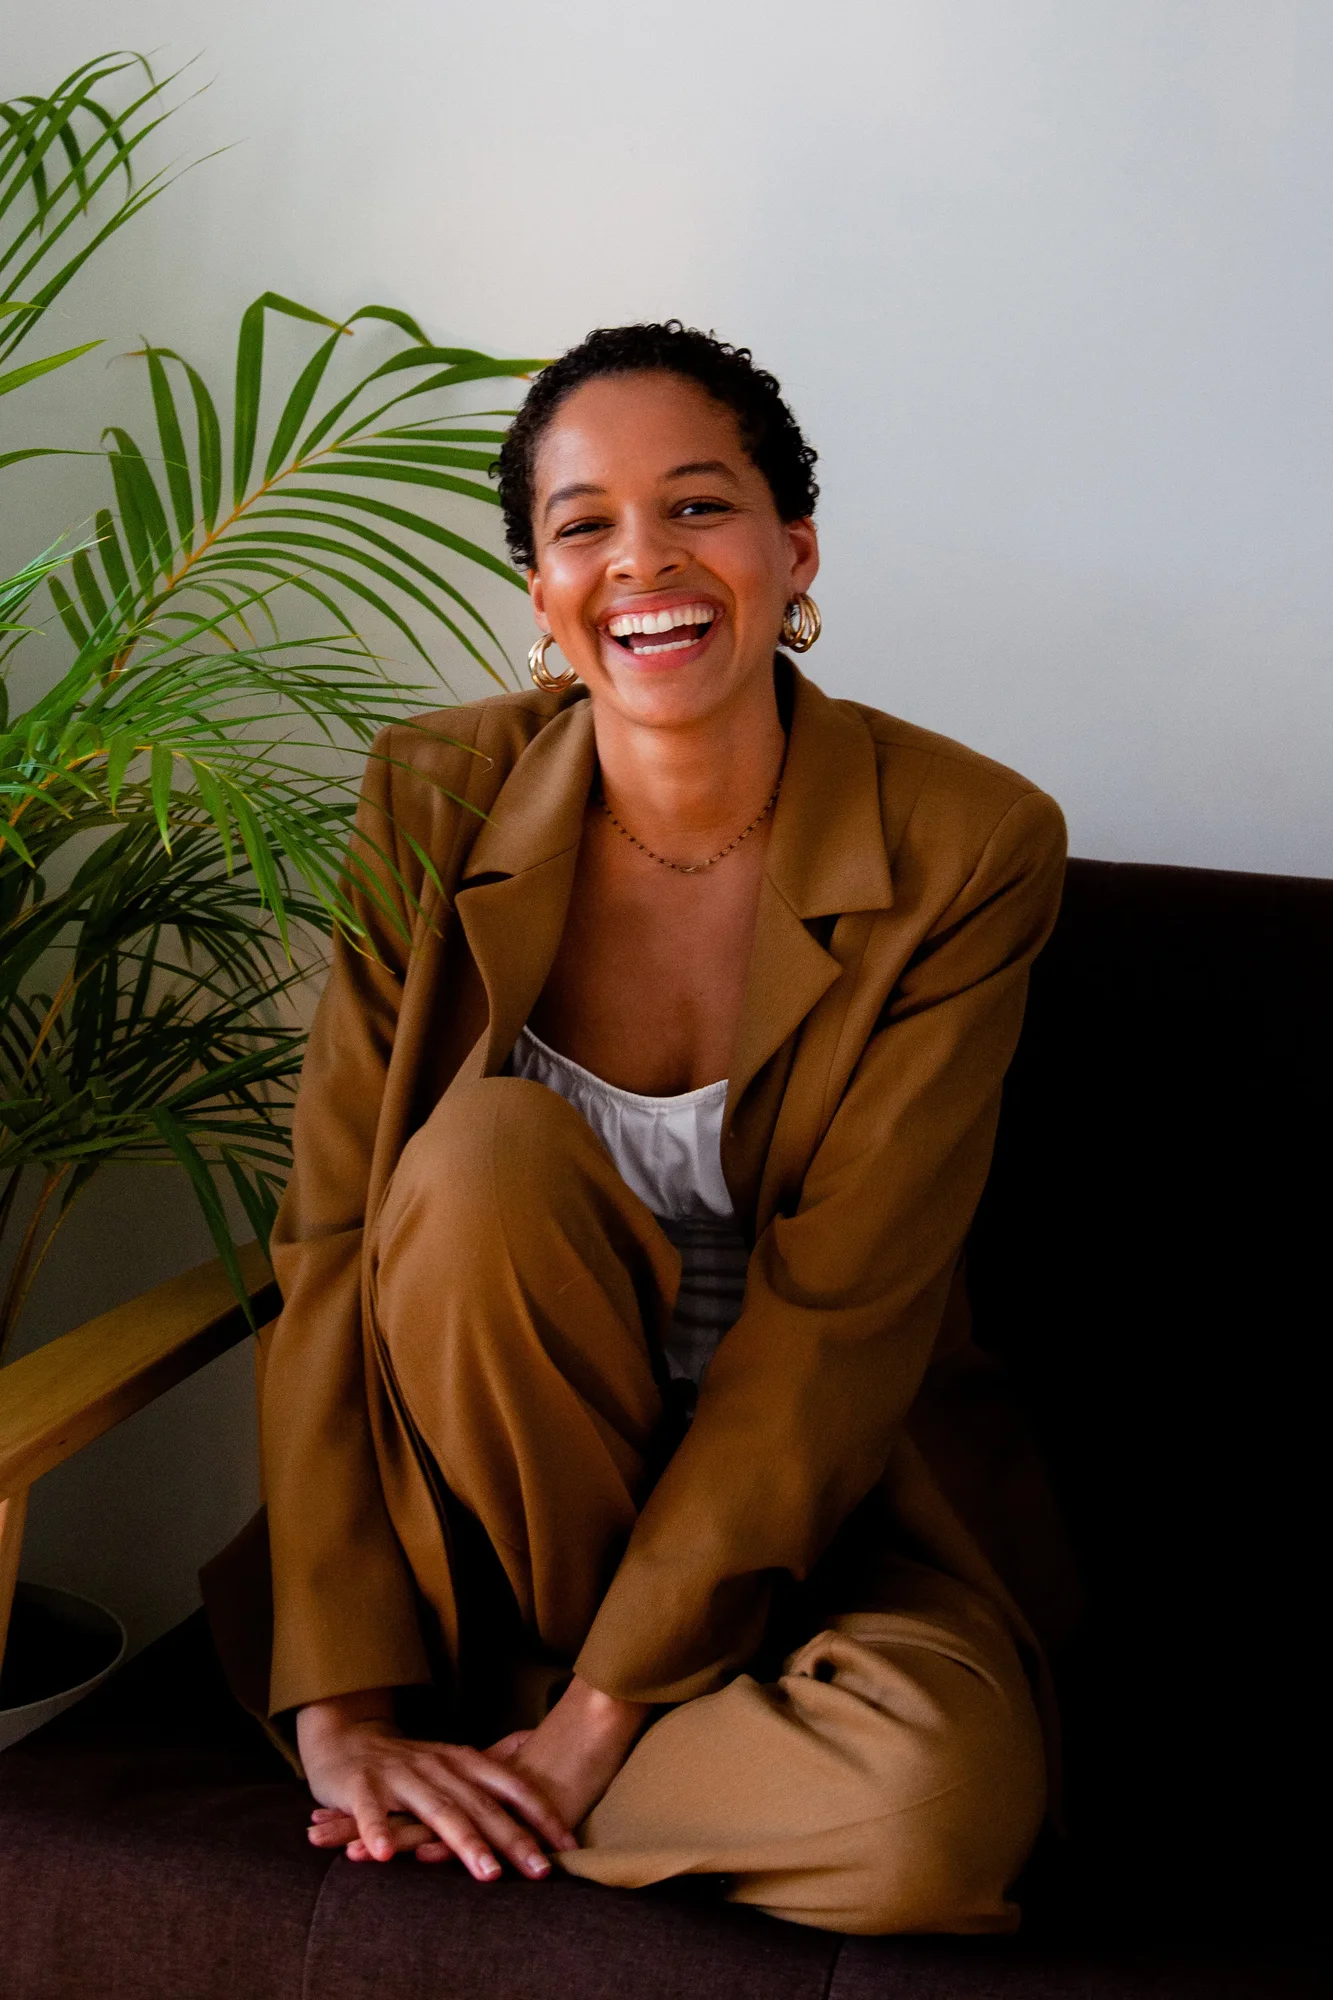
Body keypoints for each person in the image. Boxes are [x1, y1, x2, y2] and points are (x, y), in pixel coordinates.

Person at [208, 321, 1075, 1937]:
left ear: (792, 546)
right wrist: (335, 1716)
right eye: (582, 525)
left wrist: (598, 1722)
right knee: (479, 1164)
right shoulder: (433, 795)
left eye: (699, 506)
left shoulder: (972, 844)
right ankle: (504, 1739)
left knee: (934, 1818)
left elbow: (837, 1324)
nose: (643, 564)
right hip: (486, 1537)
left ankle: (521, 1763)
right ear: (538, 591)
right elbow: (330, 1240)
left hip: (826, 1538)